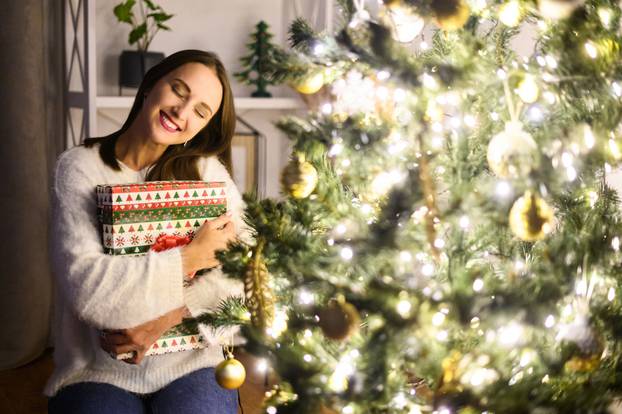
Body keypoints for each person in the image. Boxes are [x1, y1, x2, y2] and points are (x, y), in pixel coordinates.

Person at [45, 50, 251, 413]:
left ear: (204, 126)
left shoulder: (208, 175)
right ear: (150, 85)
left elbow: (249, 275)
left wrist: (165, 319)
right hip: (97, 371)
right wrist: (191, 257)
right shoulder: (80, 168)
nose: (182, 112)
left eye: (200, 112)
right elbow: (89, 291)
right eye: (178, 90)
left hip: (193, 364)